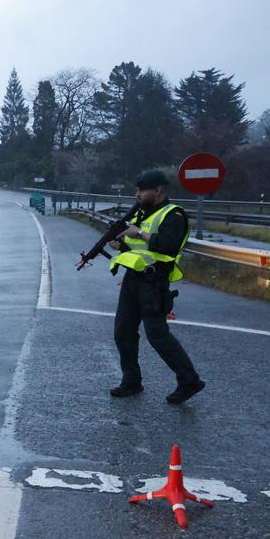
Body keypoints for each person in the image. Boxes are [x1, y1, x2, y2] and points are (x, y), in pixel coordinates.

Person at [107, 169, 205, 405]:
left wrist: (140, 233)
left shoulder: (174, 215)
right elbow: (139, 250)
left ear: (158, 190)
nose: (137, 194)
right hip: (133, 279)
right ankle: (131, 381)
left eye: (142, 190)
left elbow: (168, 246)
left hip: (154, 281)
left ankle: (189, 380)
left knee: (157, 334)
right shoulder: (142, 213)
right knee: (123, 332)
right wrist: (121, 246)